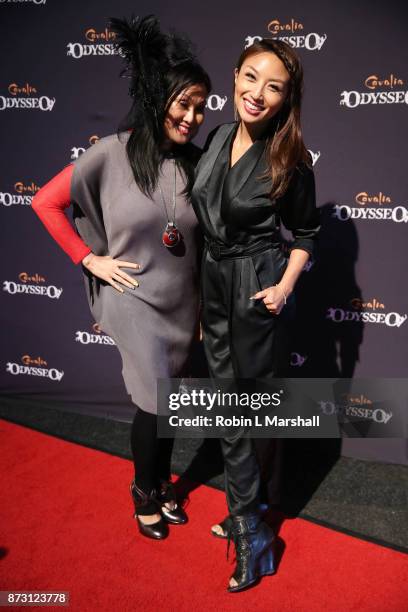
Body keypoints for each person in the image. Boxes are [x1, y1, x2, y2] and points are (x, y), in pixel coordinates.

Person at [32, 15, 211, 541]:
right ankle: (144, 492)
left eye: (201, 106)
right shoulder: (110, 154)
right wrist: (90, 260)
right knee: (154, 402)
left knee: (169, 403)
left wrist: (202, 311)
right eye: (185, 104)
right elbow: (45, 202)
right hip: (134, 300)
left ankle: (160, 482)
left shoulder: (199, 165)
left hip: (182, 302)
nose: (194, 116)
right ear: (160, 98)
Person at [191, 39, 320, 591]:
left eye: (274, 86)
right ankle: (250, 513)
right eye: (250, 77)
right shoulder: (217, 136)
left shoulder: (290, 157)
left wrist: (284, 287)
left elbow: (307, 234)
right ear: (235, 76)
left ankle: (254, 525)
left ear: (287, 98)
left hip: (254, 285)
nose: (257, 94)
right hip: (214, 282)